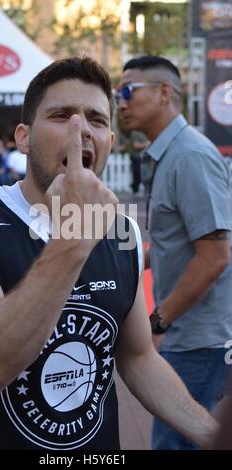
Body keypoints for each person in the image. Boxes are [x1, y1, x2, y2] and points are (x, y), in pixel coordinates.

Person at [0, 57, 219, 450]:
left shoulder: (122, 233)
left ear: (110, 143)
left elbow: (138, 358)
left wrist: (211, 433)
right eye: (61, 115)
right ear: (24, 137)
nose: (80, 130)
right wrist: (75, 233)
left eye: (97, 120)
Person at [117, 55, 232, 450]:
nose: (121, 102)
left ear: (165, 93)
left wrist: (158, 322)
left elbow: (215, 255)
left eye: (128, 91)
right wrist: (130, 258)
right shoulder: (172, 154)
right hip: (190, 336)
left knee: (175, 443)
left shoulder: (190, 156)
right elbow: (180, 243)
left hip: (198, 341)